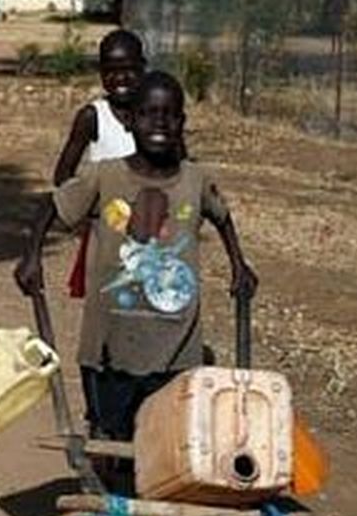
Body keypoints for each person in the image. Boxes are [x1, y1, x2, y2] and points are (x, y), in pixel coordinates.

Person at [15, 71, 258, 443]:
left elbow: (222, 217)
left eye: (169, 114)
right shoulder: (106, 175)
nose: (159, 122)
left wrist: (239, 266)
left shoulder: (195, 180)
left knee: (169, 437)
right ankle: (111, 490)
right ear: (129, 120)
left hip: (177, 344)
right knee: (111, 433)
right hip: (111, 345)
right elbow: (52, 205)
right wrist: (32, 257)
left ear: (181, 122)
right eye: (148, 113)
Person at [52, 29, 145, 298]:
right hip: (107, 234)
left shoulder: (155, 114)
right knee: (108, 304)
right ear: (101, 72)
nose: (121, 78)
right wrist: (85, 210)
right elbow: (62, 176)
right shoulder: (92, 117)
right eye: (111, 71)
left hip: (153, 230)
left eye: (129, 69)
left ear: (143, 67)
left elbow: (179, 165)